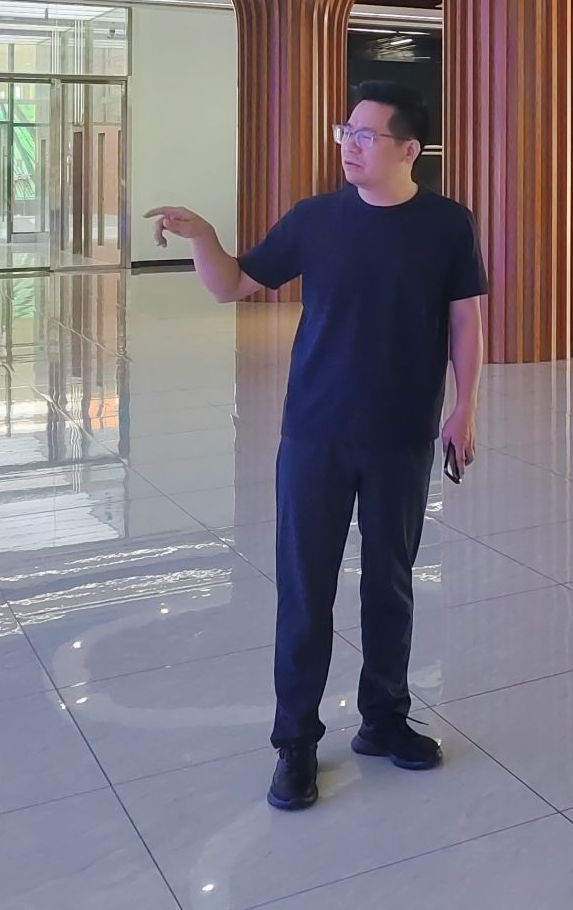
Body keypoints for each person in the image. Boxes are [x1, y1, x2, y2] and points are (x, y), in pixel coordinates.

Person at [147, 80, 486, 813]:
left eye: (365, 135)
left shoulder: (447, 225)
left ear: (408, 149)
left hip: (403, 433)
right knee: (306, 589)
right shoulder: (316, 219)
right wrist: (204, 237)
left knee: (390, 582)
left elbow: (465, 320)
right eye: (346, 133)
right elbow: (232, 286)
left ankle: (383, 718)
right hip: (315, 434)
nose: (349, 146)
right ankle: (295, 741)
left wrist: (465, 408)